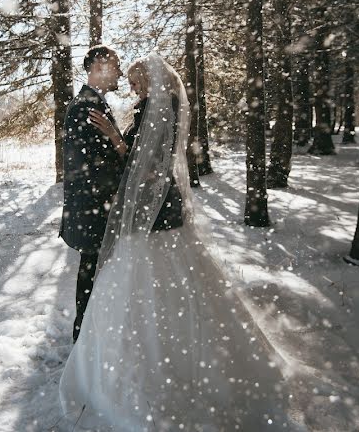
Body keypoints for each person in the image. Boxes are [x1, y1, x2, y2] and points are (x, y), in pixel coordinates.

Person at [59, 52, 291, 430]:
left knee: (157, 286)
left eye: (135, 82)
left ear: (151, 83)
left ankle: (164, 365)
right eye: (129, 80)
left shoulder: (158, 111)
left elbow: (146, 166)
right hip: (147, 216)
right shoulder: (151, 107)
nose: (130, 88)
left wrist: (117, 139)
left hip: (158, 218)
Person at [59, 45, 125, 343]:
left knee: (92, 278)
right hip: (94, 213)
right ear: (99, 65)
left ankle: (88, 340)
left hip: (96, 211)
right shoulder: (85, 106)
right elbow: (90, 168)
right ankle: (85, 342)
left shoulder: (93, 103)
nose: (120, 72)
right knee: (90, 278)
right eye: (116, 65)